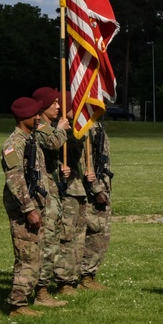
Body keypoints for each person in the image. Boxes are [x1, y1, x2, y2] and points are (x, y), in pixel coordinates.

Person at [2, 97, 48, 317]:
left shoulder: (31, 140)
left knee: (35, 254)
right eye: (35, 115)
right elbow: (16, 179)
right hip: (23, 210)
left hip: (35, 206)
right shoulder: (13, 145)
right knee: (27, 256)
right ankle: (17, 305)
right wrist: (29, 209)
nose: (39, 118)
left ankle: (26, 300)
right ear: (24, 118)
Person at [30, 86, 69, 308]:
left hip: (51, 188)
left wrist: (59, 168)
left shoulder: (47, 127)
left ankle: (43, 287)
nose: (58, 106)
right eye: (54, 103)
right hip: (44, 194)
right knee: (47, 241)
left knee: (53, 239)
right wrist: (62, 129)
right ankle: (41, 291)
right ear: (43, 106)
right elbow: (53, 142)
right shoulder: (42, 127)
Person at [55, 103, 97, 296]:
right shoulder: (58, 131)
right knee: (67, 235)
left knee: (79, 236)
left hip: (80, 188)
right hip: (67, 190)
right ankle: (64, 281)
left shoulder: (79, 129)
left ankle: (74, 277)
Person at [81, 119, 113, 290]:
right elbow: (87, 160)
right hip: (94, 189)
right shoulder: (87, 127)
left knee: (102, 232)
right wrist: (97, 189)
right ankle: (85, 275)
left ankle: (89, 274)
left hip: (103, 185)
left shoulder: (97, 125)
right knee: (95, 230)